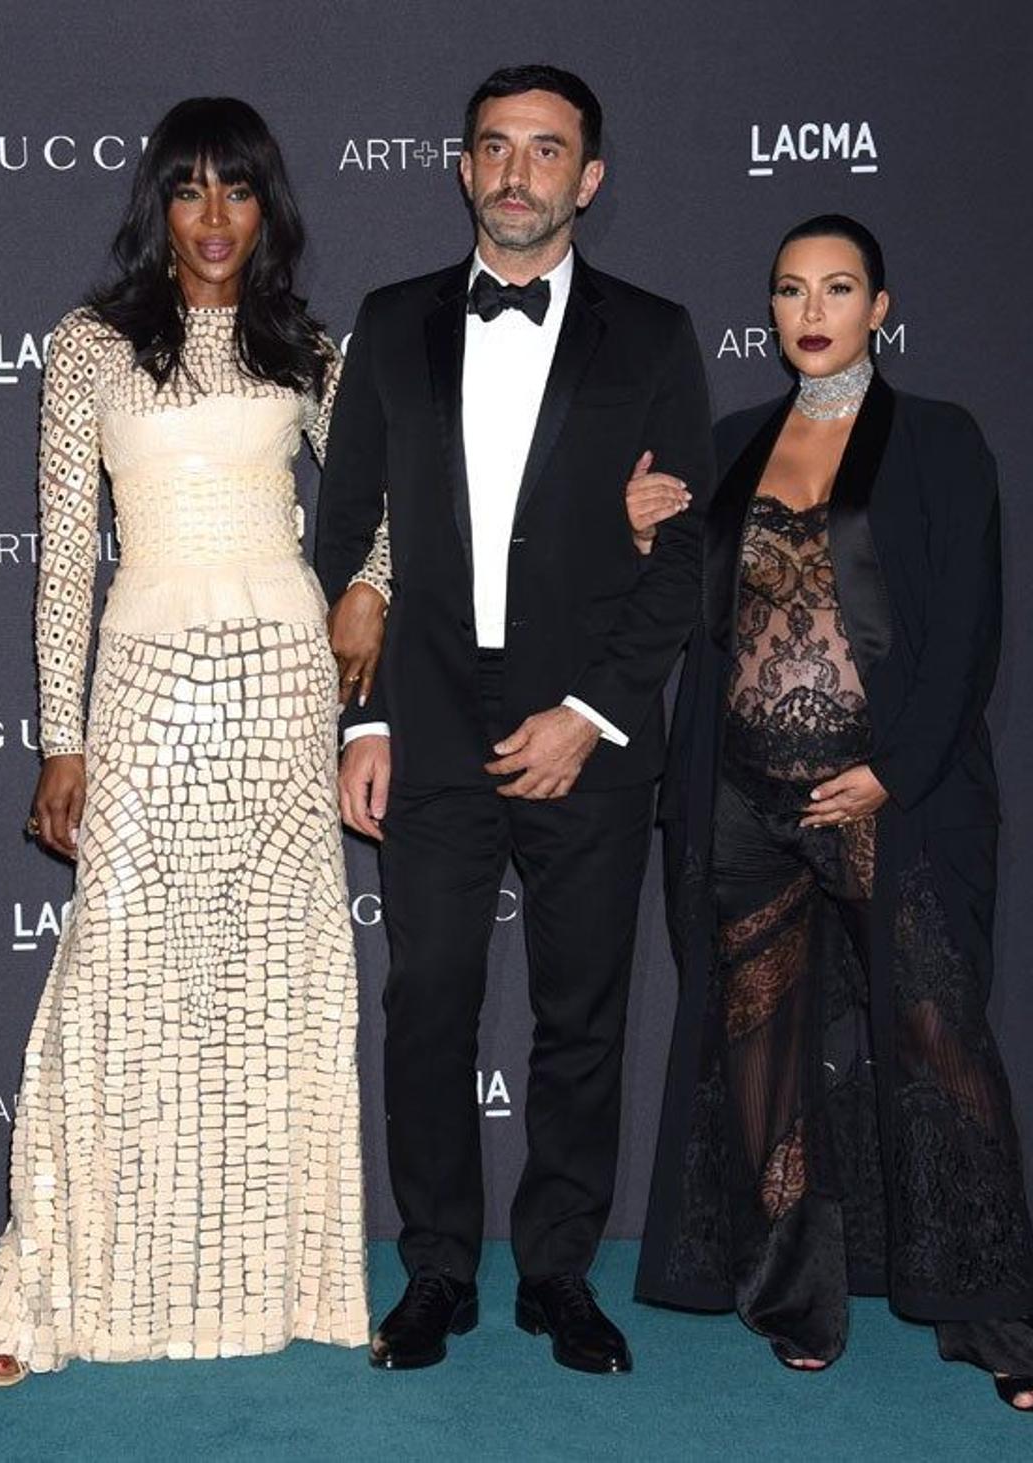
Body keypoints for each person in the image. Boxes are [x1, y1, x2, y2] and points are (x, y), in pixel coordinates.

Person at [0, 97, 390, 1384]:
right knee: (115, 978)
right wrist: (61, 734)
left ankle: (289, 1280)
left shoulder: (314, 348)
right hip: (145, 684)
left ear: (270, 207)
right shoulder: (87, 347)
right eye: (191, 190)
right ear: (158, 204)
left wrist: (370, 582)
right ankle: (50, 1288)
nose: (214, 219)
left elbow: (388, 502)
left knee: (279, 985)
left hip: (280, 688)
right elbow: (58, 565)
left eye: (239, 191)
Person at [316, 64, 713, 1374]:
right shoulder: (392, 320)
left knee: (583, 1012)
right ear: (464, 165)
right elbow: (349, 541)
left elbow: (684, 553)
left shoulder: (654, 335)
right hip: (423, 721)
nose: (518, 171)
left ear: (587, 178)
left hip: (585, 733)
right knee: (427, 1000)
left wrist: (590, 714)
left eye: (547, 151)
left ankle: (557, 1275)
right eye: (495, 146)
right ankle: (437, 1265)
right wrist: (360, 722)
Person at [634, 215, 1033, 1412]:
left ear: (880, 305)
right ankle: (794, 1293)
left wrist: (897, 769)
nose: (810, 308)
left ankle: (989, 1307)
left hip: (889, 794)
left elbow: (968, 627)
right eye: (788, 289)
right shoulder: (727, 446)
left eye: (838, 287)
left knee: (936, 1033)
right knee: (763, 1044)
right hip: (740, 800)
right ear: (769, 310)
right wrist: (635, 528)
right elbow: (683, 614)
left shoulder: (937, 439)